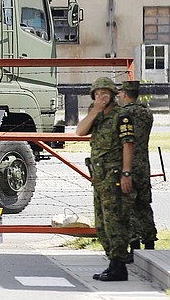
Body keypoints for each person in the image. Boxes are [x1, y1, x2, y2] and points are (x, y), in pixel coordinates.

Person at [76, 76, 135, 282]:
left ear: (113, 95)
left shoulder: (122, 117)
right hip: (100, 179)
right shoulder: (98, 116)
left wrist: (127, 173)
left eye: (105, 94)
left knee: (115, 221)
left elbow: (128, 145)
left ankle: (119, 266)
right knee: (102, 225)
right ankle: (112, 263)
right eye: (97, 94)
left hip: (115, 176)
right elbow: (79, 131)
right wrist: (94, 111)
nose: (101, 97)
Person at [119, 80, 157, 260]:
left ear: (125, 93)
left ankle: (134, 247)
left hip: (127, 165)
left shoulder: (123, 114)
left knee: (129, 206)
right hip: (144, 165)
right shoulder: (147, 114)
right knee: (144, 205)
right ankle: (150, 243)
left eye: (121, 93)